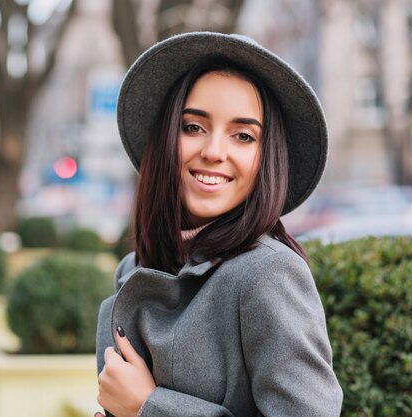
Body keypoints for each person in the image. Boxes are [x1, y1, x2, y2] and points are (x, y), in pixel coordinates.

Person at [95, 32, 343, 417]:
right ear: (165, 139)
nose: (213, 151)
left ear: (266, 159)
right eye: (193, 127)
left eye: (243, 136)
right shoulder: (137, 268)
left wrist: (147, 407)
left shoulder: (267, 274)